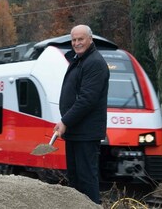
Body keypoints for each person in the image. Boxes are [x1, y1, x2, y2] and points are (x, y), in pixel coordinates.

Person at [53, 25, 109, 204]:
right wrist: (66, 122)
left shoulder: (94, 63)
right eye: (74, 40)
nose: (77, 43)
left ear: (90, 40)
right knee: (76, 179)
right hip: (76, 132)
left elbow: (87, 99)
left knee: (86, 179)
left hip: (86, 132)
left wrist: (65, 121)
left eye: (81, 39)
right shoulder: (80, 60)